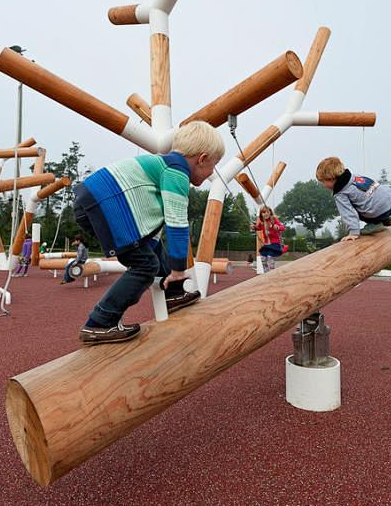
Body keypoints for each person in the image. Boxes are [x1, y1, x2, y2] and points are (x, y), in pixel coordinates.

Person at [72, 120, 225, 344]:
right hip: (104, 203)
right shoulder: (177, 171)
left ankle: (173, 294)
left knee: (150, 248)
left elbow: (152, 225)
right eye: (214, 164)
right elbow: (176, 222)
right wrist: (179, 269)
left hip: (98, 200)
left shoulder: (163, 165)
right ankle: (100, 322)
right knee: (145, 265)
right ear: (201, 159)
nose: (213, 171)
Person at [316, 157, 391, 241]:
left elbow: (348, 213)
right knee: (367, 198)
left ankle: (376, 224)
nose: (324, 185)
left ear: (331, 178)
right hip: (390, 201)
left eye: (323, 182)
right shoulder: (355, 177)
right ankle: (385, 219)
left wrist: (353, 232)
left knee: (357, 205)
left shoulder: (341, 193)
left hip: (377, 210)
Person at [253, 206, 286, 272]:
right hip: (266, 244)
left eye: (267, 212)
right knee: (263, 258)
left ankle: (271, 270)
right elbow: (258, 228)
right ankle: (266, 271)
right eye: (263, 212)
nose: (265, 214)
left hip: (274, 243)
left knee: (269, 256)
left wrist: (277, 227)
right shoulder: (262, 223)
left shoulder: (273, 220)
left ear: (270, 213)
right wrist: (254, 227)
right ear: (261, 214)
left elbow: (282, 227)